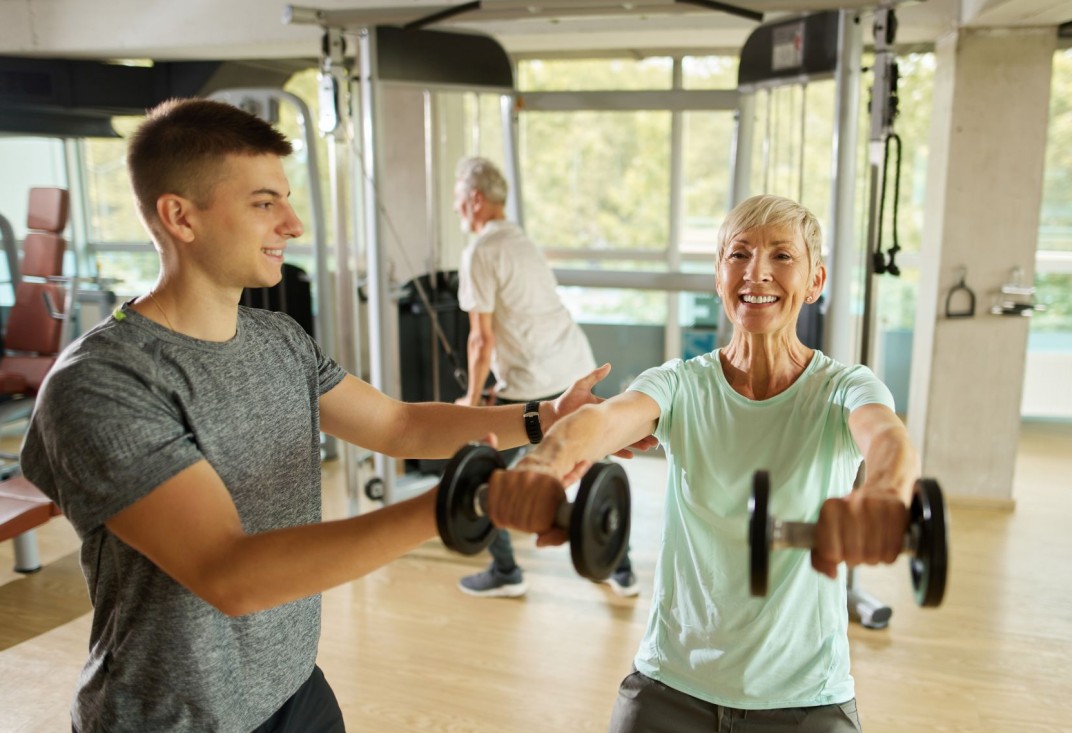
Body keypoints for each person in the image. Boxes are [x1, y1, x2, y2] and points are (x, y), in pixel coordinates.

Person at [19, 98, 640, 733]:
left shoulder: (278, 340)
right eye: (265, 203)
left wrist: (546, 417)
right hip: (173, 719)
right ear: (180, 217)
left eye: (286, 200)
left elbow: (398, 426)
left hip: (295, 688)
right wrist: (464, 500)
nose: (292, 223)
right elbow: (228, 572)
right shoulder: (103, 382)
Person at [481, 194, 919, 732]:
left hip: (805, 697)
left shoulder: (844, 388)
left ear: (815, 282)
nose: (756, 272)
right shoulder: (681, 383)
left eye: (782, 257)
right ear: (718, 276)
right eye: (739, 254)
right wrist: (542, 463)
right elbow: (606, 420)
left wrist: (884, 494)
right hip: (671, 685)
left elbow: (888, 440)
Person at [451, 156, 640, 599]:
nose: (457, 208)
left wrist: (472, 398)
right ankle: (620, 566)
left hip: (535, 379)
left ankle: (504, 570)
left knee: (487, 468)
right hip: (573, 365)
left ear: (476, 200)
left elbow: (481, 340)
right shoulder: (521, 240)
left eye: (459, 200)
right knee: (596, 461)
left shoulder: (480, 251)